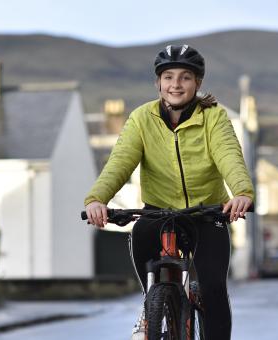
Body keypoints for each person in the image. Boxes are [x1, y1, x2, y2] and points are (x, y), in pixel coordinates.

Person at [84, 44, 254, 340]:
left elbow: (229, 155)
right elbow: (120, 161)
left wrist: (241, 192)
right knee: (141, 236)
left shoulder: (213, 117)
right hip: (158, 210)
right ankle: (152, 302)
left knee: (213, 288)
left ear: (197, 83)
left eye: (185, 77)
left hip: (206, 212)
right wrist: (98, 199)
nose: (176, 84)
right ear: (158, 83)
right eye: (168, 77)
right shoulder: (141, 118)